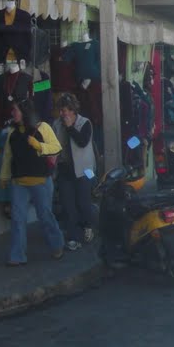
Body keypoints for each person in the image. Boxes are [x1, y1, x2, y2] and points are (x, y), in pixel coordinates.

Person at [0, 100, 65, 266]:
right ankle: (17, 256)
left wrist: (39, 146)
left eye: (15, 110)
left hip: (41, 181)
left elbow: (57, 148)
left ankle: (57, 245)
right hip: (19, 182)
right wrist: (4, 176)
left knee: (45, 216)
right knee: (17, 219)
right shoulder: (12, 133)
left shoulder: (42, 127)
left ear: (24, 112)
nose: (13, 113)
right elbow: (8, 156)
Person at [53, 93, 98, 251]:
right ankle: (73, 236)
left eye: (65, 110)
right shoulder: (56, 124)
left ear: (73, 110)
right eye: (61, 110)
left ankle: (89, 226)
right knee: (68, 205)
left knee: (83, 202)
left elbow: (82, 142)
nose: (62, 114)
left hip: (83, 170)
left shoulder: (84, 123)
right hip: (65, 169)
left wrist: (70, 127)